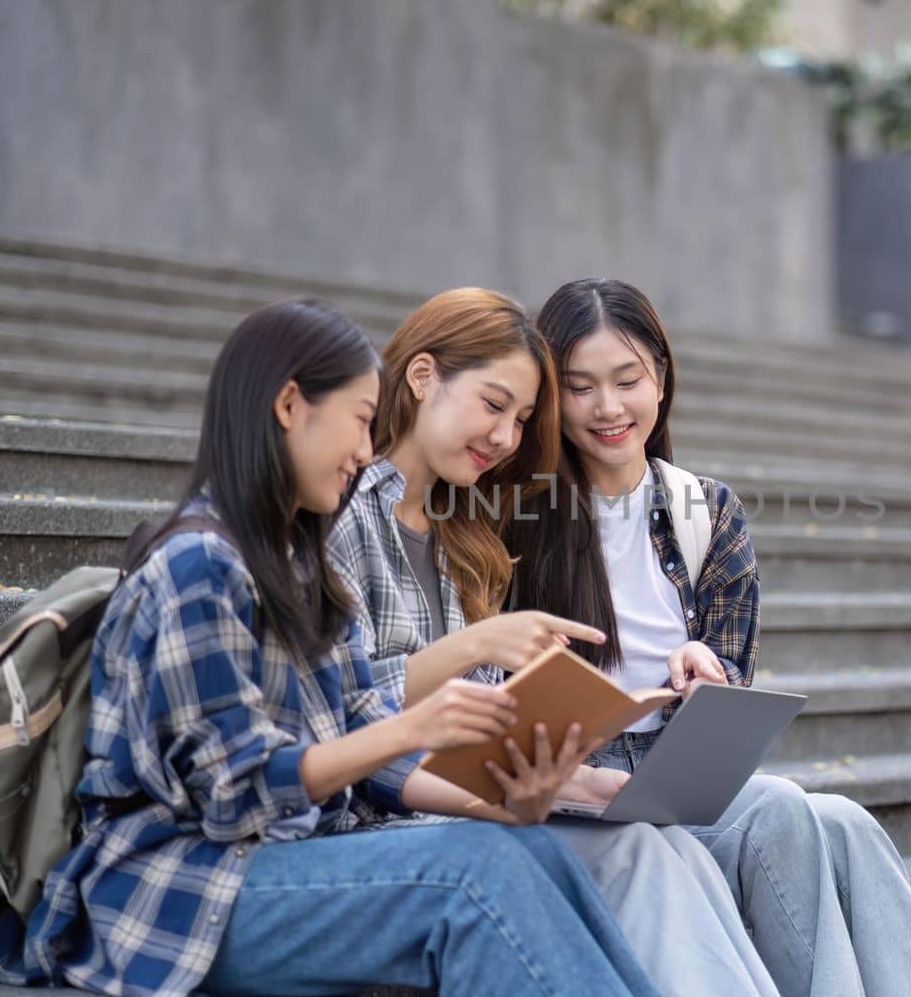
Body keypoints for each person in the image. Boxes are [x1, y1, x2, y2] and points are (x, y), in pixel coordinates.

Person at [0, 299, 657, 997]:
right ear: (290, 406)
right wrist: (417, 725)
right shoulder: (197, 564)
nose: (367, 452)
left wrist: (502, 804)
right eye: (362, 422)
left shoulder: (301, 563)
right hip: (182, 891)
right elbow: (236, 796)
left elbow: (364, 735)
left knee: (531, 848)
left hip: (288, 865)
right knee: (474, 875)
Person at [504, 278, 911, 997]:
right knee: (787, 811)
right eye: (580, 387)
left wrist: (706, 671)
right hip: (575, 780)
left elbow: (730, 685)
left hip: (673, 771)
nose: (608, 408)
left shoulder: (705, 509)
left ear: (661, 375)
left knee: (839, 821)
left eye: (628, 380)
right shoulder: (514, 513)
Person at [329, 287, 779, 996]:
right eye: (494, 405)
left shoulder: (461, 538)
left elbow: (473, 731)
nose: (506, 436)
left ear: (660, 377)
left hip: (485, 795)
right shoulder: (359, 521)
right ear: (422, 379)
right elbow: (337, 714)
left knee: (754, 833)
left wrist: (572, 780)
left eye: (520, 418)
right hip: (385, 825)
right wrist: (482, 653)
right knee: (643, 855)